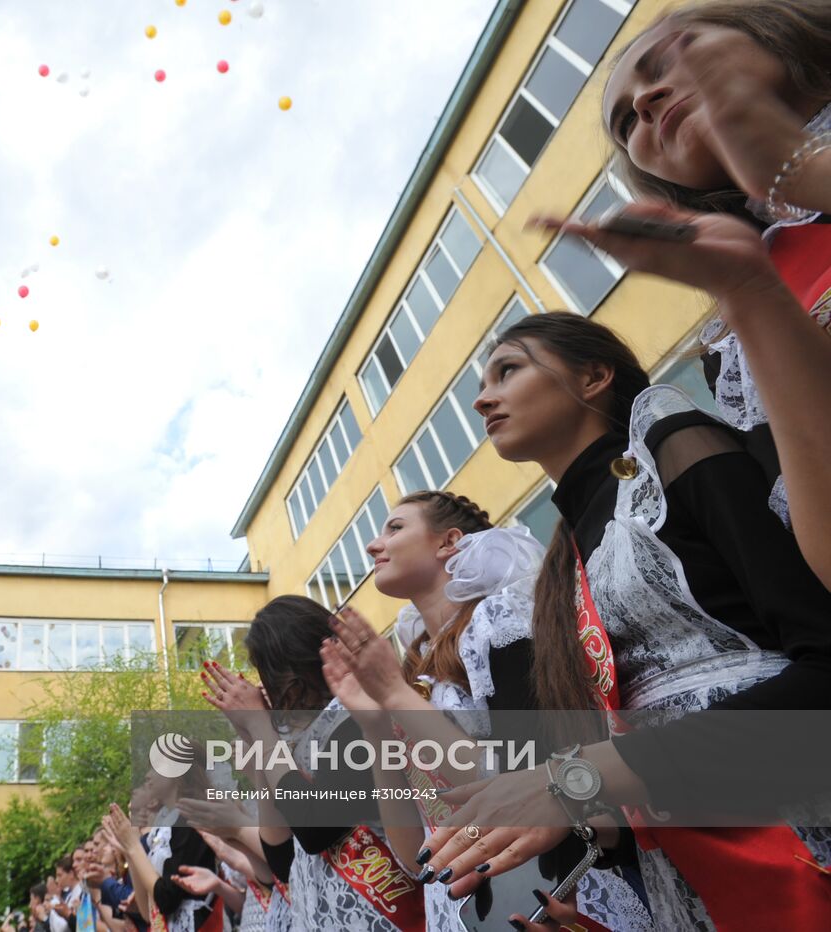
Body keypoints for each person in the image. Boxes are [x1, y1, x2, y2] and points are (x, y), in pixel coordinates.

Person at [417, 312, 831, 928]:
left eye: (508, 369)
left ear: (594, 376)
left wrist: (575, 780)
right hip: (694, 882)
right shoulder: (559, 567)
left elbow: (823, 668)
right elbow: (627, 785)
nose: (482, 398)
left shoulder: (674, 445)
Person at [534, 0, 831, 587]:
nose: (644, 105)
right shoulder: (742, 310)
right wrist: (748, 291)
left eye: (665, 60)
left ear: (770, 26)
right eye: (626, 125)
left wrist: (796, 167)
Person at [323, 491, 653, 930]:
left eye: (395, 528)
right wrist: (375, 724)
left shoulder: (499, 622)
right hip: (466, 906)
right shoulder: (416, 668)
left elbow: (530, 789)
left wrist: (396, 696)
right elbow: (413, 857)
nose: (373, 545)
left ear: (449, 542)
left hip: (552, 895)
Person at [201, 610, 425, 932]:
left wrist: (261, 728)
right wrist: (256, 734)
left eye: (262, 672)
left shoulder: (355, 718)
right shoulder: (296, 742)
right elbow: (281, 859)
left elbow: (314, 830)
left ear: (284, 670)